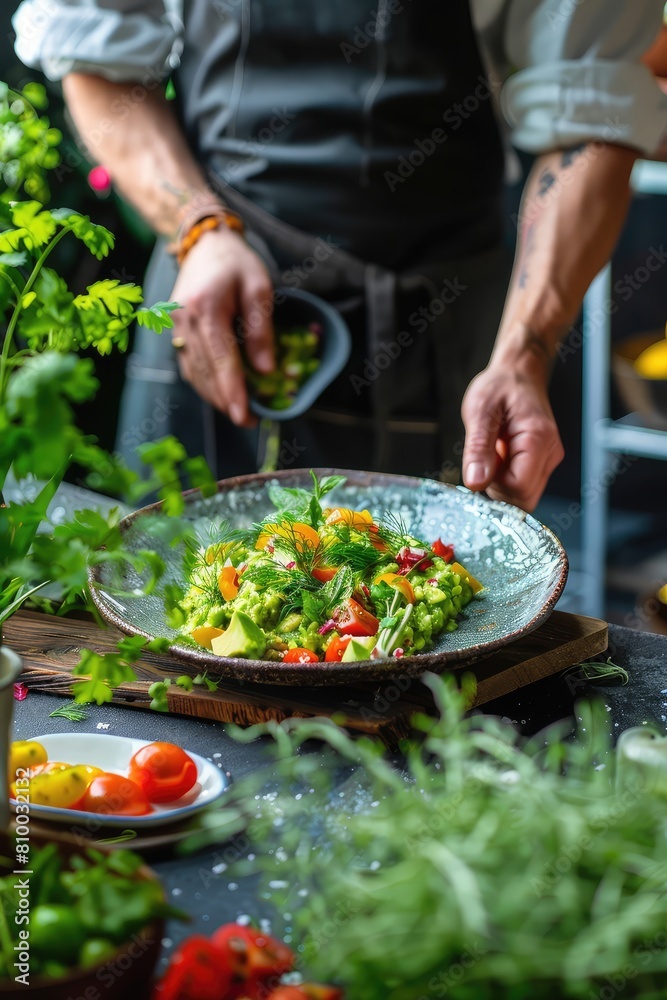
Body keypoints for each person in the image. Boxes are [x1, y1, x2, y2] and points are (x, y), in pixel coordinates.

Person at [13, 0, 667, 510]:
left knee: (436, 641)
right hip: (219, 295)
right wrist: (198, 227)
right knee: (168, 624)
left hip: (450, 318)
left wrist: (524, 351)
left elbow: (594, 114)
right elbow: (99, 62)